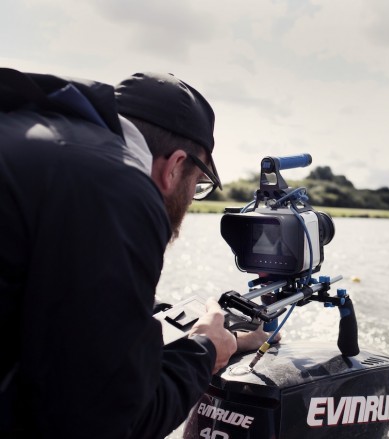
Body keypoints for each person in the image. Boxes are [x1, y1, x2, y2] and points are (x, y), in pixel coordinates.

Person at [0, 69, 272, 438]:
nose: (192, 198)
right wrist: (207, 350)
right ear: (176, 165)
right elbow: (108, 420)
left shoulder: (35, 139)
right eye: (200, 183)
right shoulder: (115, 183)